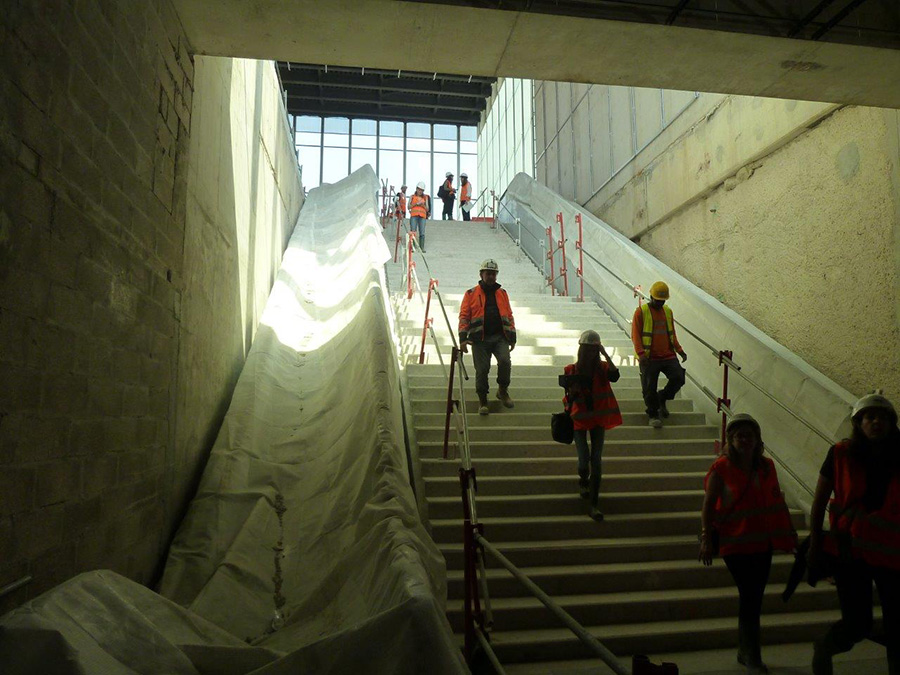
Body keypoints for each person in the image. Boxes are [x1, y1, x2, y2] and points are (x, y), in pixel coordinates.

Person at [808, 392, 900, 675]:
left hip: (891, 551)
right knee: (857, 624)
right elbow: (821, 498)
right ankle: (826, 646)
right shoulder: (840, 452)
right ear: (858, 423)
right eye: (869, 417)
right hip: (851, 551)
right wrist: (814, 543)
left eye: (882, 418)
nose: (876, 422)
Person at [699, 413, 797, 674]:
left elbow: (776, 501)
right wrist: (707, 538)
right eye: (739, 435)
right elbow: (708, 505)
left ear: (757, 440)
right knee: (751, 596)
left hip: (762, 543)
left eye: (749, 435)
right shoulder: (721, 468)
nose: (744, 440)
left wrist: (787, 533)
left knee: (753, 597)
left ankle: (747, 651)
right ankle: (751, 654)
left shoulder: (767, 467)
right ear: (730, 439)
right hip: (734, 544)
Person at [560, 330, 622, 522]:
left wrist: (604, 353)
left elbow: (615, 375)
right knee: (583, 459)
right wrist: (574, 391)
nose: (590, 354)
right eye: (588, 350)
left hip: (598, 420)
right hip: (579, 419)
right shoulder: (571, 370)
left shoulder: (602, 368)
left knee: (596, 461)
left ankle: (594, 504)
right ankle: (583, 481)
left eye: (593, 350)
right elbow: (568, 397)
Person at [458, 258, 516, 415]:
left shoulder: (502, 293)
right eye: (488, 273)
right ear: (481, 274)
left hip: (500, 337)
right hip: (479, 340)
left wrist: (512, 336)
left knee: (505, 362)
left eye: (493, 274)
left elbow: (509, 315)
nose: (491, 276)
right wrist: (463, 338)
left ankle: (502, 391)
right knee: (482, 370)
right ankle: (483, 401)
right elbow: (464, 316)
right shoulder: (470, 294)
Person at [631, 281, 687, 428]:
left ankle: (662, 397)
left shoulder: (668, 312)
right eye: (658, 300)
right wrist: (641, 354)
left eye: (663, 301)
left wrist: (679, 350)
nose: (660, 303)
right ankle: (653, 413)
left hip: (668, 355)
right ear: (651, 297)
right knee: (649, 388)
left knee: (679, 377)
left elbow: (672, 333)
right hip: (649, 358)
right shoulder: (641, 312)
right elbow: (635, 335)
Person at [408, 181, 431, 252]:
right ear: (416, 189)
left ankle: (421, 248)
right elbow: (409, 206)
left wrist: (422, 205)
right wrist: (416, 204)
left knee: (422, 233)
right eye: (419, 189)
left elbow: (427, 208)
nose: (420, 191)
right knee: (413, 232)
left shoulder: (425, 197)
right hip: (414, 216)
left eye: (421, 190)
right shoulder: (412, 197)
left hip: (422, 217)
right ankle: (413, 248)